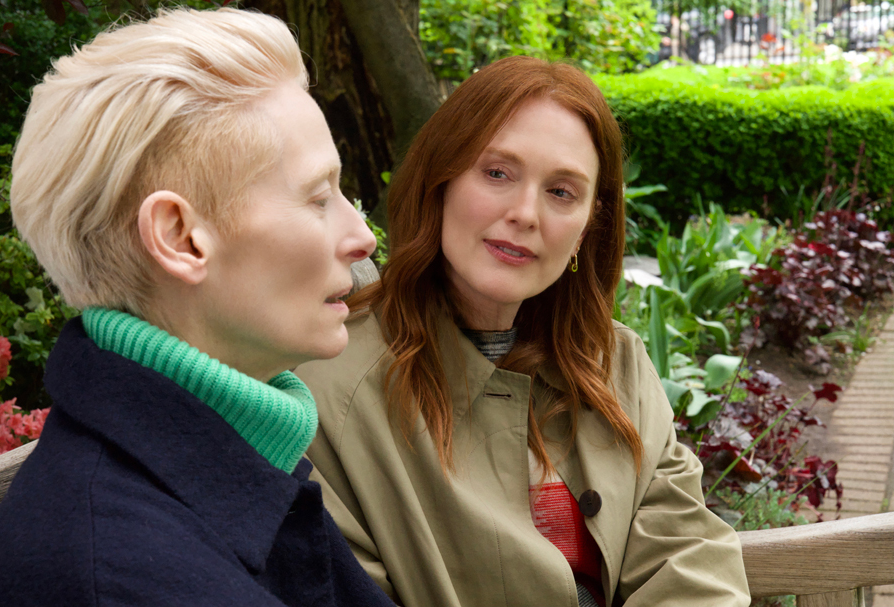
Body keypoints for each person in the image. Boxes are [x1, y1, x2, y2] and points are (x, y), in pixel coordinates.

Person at [296, 56, 751, 607]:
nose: (525, 213)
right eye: (497, 173)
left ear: (587, 227)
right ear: (439, 181)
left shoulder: (616, 365)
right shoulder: (331, 389)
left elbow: (689, 560)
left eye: (561, 192)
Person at [0, 8, 395, 607]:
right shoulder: (121, 577)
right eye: (318, 198)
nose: (363, 237)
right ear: (180, 238)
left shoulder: (235, 457)